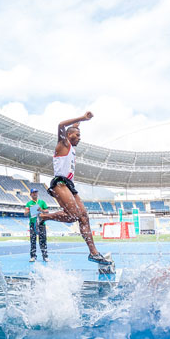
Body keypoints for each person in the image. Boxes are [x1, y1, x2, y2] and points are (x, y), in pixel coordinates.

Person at [38, 112, 112, 265]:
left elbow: (72, 127)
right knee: (73, 216)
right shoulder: (63, 144)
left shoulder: (71, 146)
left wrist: (79, 124)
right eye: (77, 135)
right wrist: (81, 118)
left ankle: (94, 253)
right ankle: (44, 217)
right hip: (60, 183)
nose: (80, 138)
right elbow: (61, 125)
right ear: (69, 135)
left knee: (84, 216)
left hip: (70, 185)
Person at [25, 188, 49, 262]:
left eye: (36, 192)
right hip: (33, 224)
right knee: (33, 240)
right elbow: (25, 213)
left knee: (43, 240)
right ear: (31, 194)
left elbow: (47, 211)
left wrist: (41, 210)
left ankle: (45, 256)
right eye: (33, 192)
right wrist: (28, 210)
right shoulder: (28, 203)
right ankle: (33, 256)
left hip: (41, 223)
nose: (35, 193)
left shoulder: (42, 202)